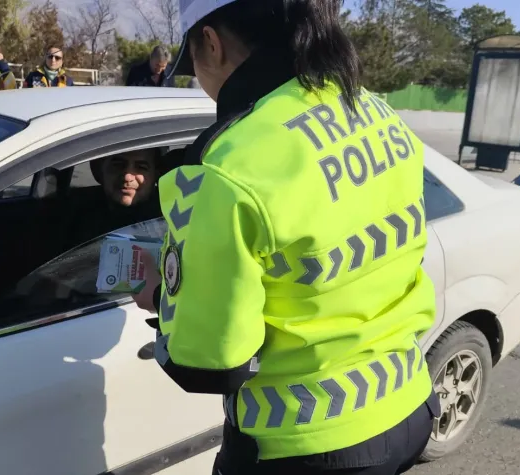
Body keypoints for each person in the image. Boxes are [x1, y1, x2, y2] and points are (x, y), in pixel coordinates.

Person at [130, 0, 439, 474]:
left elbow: (209, 360)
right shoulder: (371, 108)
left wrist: (162, 294)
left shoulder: (228, 165)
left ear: (210, 43)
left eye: (191, 60)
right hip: (408, 403)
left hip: (306, 443)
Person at [68, 149, 164, 246]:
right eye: (118, 165)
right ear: (99, 170)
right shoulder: (73, 213)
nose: (127, 177)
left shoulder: (168, 221)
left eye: (141, 167)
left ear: (156, 175)